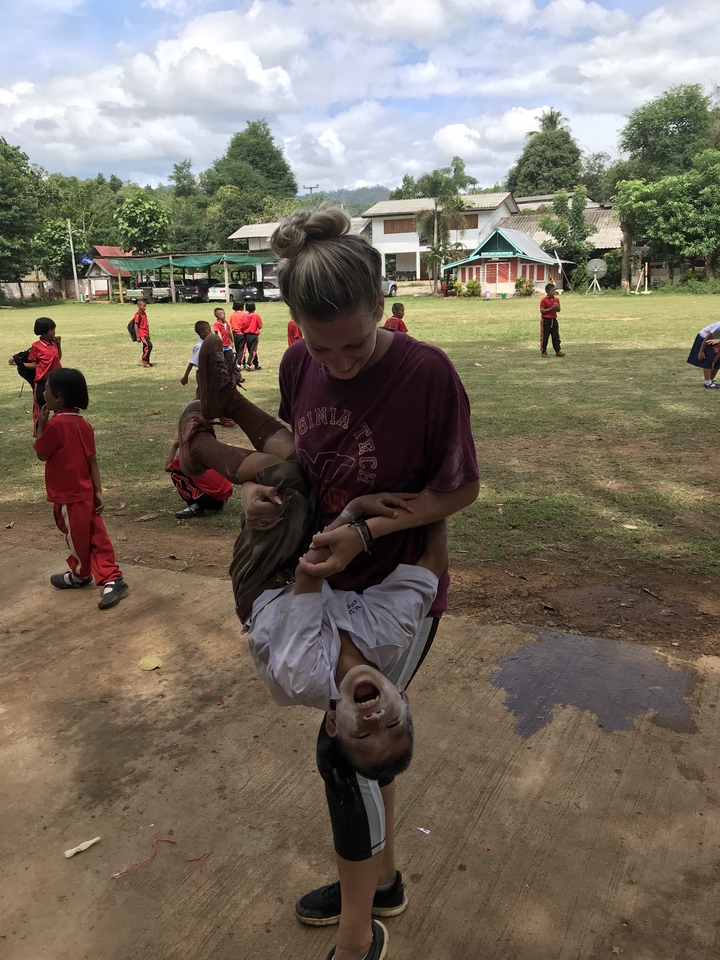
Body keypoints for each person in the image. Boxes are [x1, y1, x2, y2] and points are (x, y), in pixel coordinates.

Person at [238, 204, 479, 960]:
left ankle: (354, 937)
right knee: (362, 748)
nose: (337, 364)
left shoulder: (426, 372)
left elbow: (460, 489)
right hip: (323, 581)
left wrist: (369, 532)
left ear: (383, 307)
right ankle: (383, 881)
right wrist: (260, 495)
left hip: (393, 588)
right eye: (321, 347)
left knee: (346, 749)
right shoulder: (295, 364)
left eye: (354, 344)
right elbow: (299, 456)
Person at [33, 368, 129, 610]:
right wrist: (98, 490)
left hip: (68, 497)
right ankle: (112, 578)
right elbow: (92, 460)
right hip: (86, 492)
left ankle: (81, 574)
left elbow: (42, 454)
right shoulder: (84, 425)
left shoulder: (56, 425)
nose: (43, 393)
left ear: (59, 397)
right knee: (98, 537)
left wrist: (41, 425)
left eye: (47, 389)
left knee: (78, 540)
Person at [8, 316, 62, 433]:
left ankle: (60, 430)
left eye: (54, 329)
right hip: (42, 382)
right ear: (43, 332)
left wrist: (58, 344)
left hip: (56, 381)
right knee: (41, 409)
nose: (54, 332)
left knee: (60, 407)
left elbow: (58, 358)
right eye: (51, 330)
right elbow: (33, 364)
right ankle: (40, 432)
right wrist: (18, 364)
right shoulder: (36, 346)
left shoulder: (53, 343)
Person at [164, 438, 233, 519]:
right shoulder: (212, 451)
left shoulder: (186, 458)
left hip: (211, 501)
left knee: (175, 473)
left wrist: (175, 447)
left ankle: (195, 507)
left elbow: (167, 467)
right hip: (223, 499)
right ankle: (211, 503)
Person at [211, 307, 237, 428]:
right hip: (223, 347)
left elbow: (229, 332)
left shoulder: (226, 323)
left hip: (228, 346)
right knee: (225, 364)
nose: (224, 315)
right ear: (217, 316)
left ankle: (233, 376)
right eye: (221, 314)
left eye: (224, 313)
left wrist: (231, 342)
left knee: (231, 362)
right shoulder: (216, 324)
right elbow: (219, 335)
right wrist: (220, 345)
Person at [687, 321, 720, 389]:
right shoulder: (719, 326)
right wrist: (701, 351)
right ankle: (707, 383)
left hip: (716, 339)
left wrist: (714, 362)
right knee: (709, 357)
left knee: (718, 361)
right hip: (703, 338)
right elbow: (707, 337)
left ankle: (710, 380)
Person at [180, 321, 212, 388]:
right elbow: (192, 362)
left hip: (210, 374)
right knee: (203, 393)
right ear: (202, 332)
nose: (211, 332)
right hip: (203, 375)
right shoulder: (200, 346)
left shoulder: (209, 343)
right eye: (209, 330)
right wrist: (185, 376)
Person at [539, 282, 564, 357]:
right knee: (545, 337)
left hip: (554, 320)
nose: (554, 292)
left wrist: (557, 307)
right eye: (552, 290)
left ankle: (558, 350)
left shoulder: (556, 299)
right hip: (546, 320)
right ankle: (543, 351)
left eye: (554, 290)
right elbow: (542, 311)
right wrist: (551, 308)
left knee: (556, 336)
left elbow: (559, 310)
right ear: (548, 292)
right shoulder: (544, 300)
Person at [241, 301, 263, 370]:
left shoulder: (245, 316)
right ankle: (248, 364)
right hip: (254, 335)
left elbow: (243, 325)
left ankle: (256, 364)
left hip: (246, 335)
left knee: (251, 350)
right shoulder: (256, 316)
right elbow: (260, 325)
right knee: (253, 350)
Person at [133, 299, 153, 367]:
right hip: (142, 334)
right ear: (139, 306)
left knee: (146, 347)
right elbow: (136, 325)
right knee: (149, 346)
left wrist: (148, 334)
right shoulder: (137, 315)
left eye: (145, 306)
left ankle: (147, 361)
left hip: (146, 333)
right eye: (143, 306)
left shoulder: (144, 314)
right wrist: (137, 336)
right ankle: (143, 359)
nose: (145, 308)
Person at [229, 300, 247, 368]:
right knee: (242, 349)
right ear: (241, 307)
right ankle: (238, 363)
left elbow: (230, 322)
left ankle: (244, 363)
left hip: (235, 334)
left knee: (238, 349)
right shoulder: (244, 314)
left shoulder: (232, 315)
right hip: (242, 333)